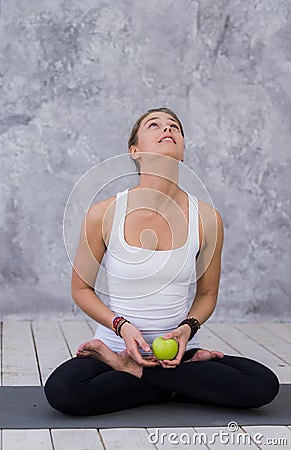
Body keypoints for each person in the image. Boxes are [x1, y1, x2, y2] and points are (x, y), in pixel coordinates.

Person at [45, 107, 279, 415]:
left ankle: (129, 371)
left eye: (174, 127)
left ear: (182, 152)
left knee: (262, 384)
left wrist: (186, 330)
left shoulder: (207, 219)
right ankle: (168, 379)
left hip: (176, 354)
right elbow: (81, 289)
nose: (166, 129)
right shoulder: (103, 213)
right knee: (63, 391)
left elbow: (207, 294)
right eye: (154, 125)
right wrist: (121, 327)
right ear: (135, 151)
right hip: (115, 343)